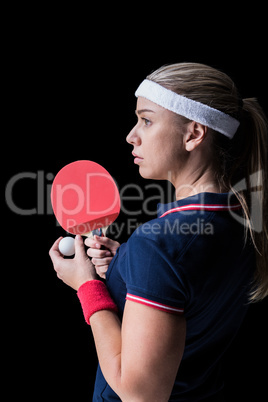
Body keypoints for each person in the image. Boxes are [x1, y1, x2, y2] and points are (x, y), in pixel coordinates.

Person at [49, 63, 268, 401]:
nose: (131, 135)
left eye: (147, 120)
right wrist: (126, 266)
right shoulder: (239, 217)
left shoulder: (160, 244)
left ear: (194, 134)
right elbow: (186, 291)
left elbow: (141, 395)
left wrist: (88, 286)